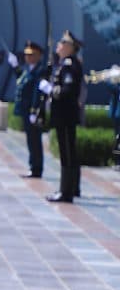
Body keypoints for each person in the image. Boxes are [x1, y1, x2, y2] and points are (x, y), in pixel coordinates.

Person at [43, 30, 84, 203]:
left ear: (69, 47)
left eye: (62, 43)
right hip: (64, 115)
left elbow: (68, 92)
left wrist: (50, 90)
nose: (59, 46)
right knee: (69, 152)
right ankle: (73, 188)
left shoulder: (69, 66)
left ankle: (65, 192)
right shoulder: (65, 64)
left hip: (65, 116)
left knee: (66, 153)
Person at [10, 41, 47, 178]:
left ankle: (36, 168)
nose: (28, 57)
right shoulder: (29, 69)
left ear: (39, 55)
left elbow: (36, 94)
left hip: (33, 112)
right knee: (31, 140)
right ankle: (33, 166)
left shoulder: (40, 70)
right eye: (26, 55)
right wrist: (15, 66)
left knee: (34, 140)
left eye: (31, 55)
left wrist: (34, 111)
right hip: (26, 110)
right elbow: (22, 79)